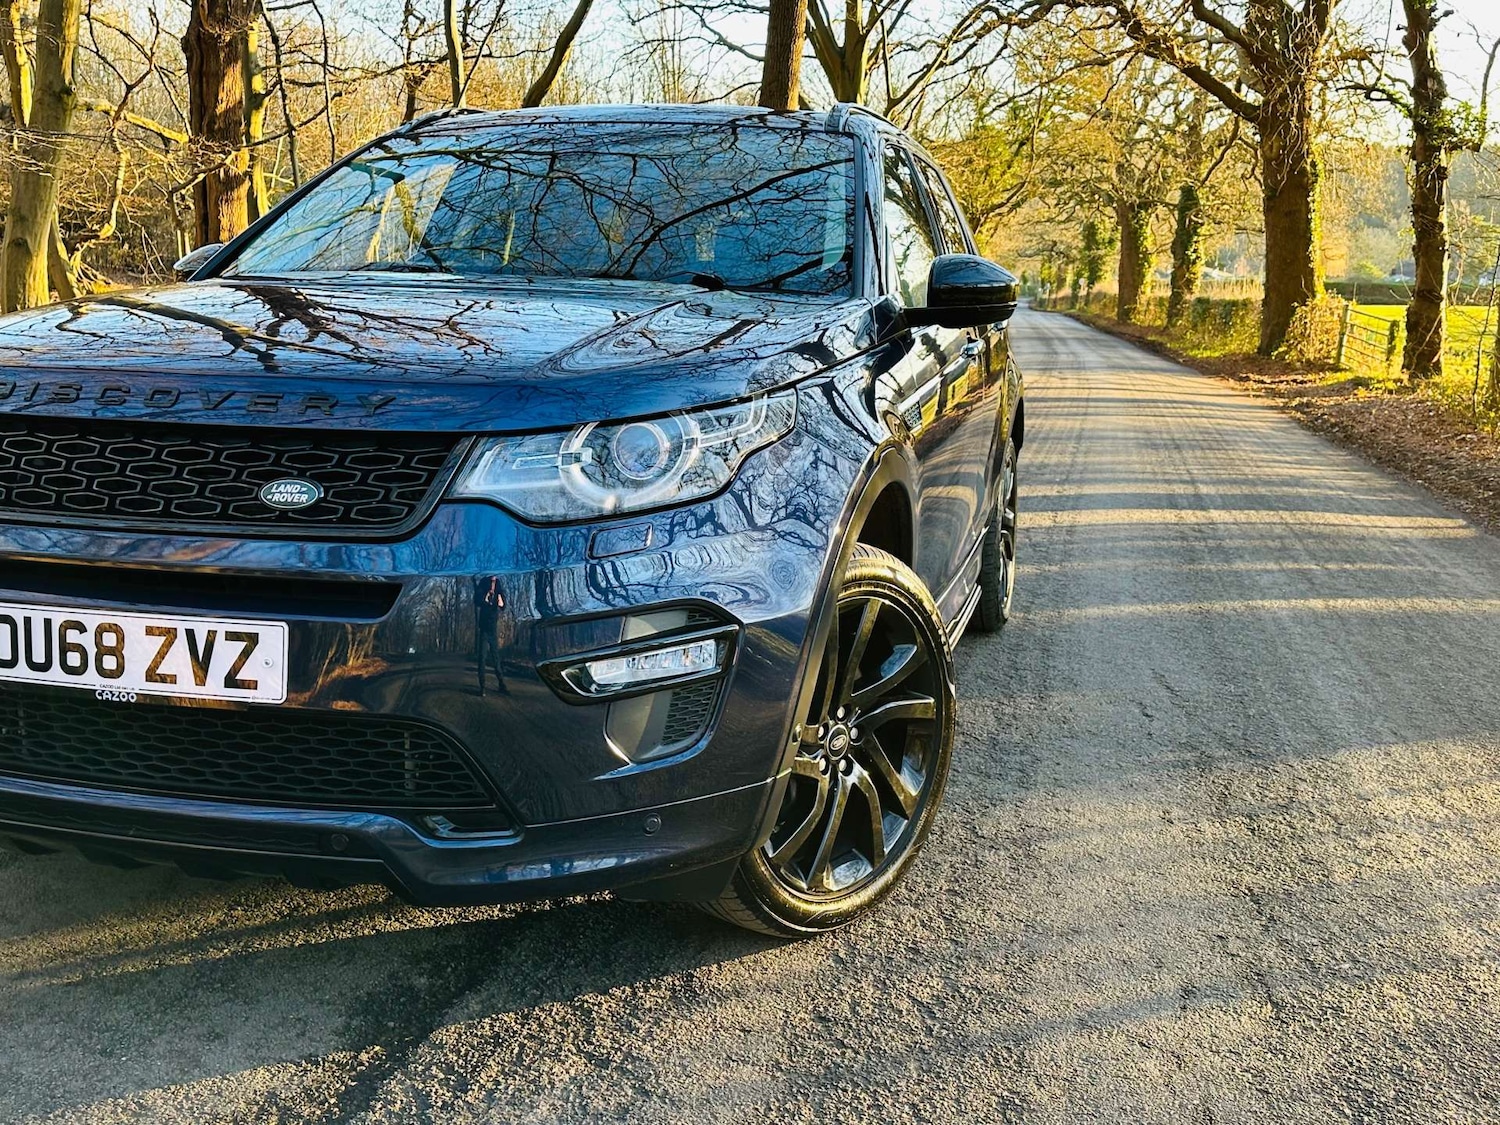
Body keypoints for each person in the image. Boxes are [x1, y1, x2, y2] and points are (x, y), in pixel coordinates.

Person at [474, 575, 510, 696]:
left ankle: (501, 684)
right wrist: (485, 597)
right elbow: (476, 601)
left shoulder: (499, 584)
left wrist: (501, 603)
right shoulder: (483, 583)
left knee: (496, 658)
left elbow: (503, 605)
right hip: (484, 628)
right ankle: (482, 687)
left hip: (493, 628)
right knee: (482, 657)